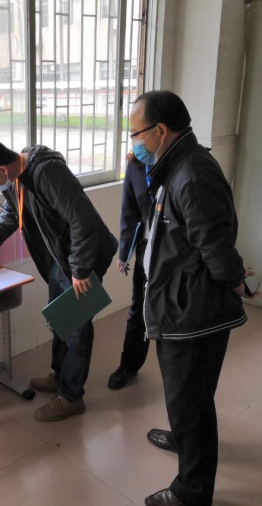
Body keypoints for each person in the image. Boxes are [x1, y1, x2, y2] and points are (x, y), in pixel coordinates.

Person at [130, 90, 257, 506]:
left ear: (160, 130)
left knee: (192, 402)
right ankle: (183, 436)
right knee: (185, 395)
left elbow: (216, 247)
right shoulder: (176, 164)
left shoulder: (192, 174)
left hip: (193, 314)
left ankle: (192, 491)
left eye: (137, 134)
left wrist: (235, 282)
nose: (134, 143)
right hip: (178, 303)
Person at [0, 137, 118, 422]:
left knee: (77, 329)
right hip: (60, 260)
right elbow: (10, 217)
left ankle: (71, 397)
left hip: (81, 259)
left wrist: (80, 269)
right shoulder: (16, 180)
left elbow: (82, 220)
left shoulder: (48, 172)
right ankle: (60, 376)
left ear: (1, 170)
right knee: (60, 320)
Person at [107, 151, 152, 389]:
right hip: (148, 249)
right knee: (139, 309)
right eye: (132, 134)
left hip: (178, 253)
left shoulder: (182, 161)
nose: (135, 140)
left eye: (137, 134)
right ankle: (129, 366)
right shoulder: (136, 165)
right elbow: (130, 210)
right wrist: (125, 253)